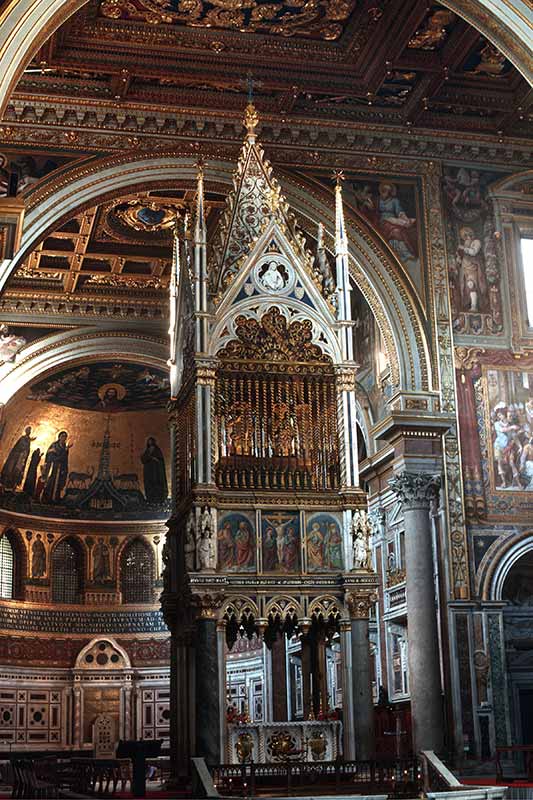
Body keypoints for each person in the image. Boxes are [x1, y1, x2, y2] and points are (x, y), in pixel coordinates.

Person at [0, 426, 35, 490]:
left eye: (29, 431)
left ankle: (13, 485)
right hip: (16, 458)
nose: (29, 432)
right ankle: (5, 485)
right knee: (11, 469)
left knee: (17, 472)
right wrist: (22, 450)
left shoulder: (28, 440)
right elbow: (18, 447)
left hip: (21, 459)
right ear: (26, 431)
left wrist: (25, 453)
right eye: (28, 430)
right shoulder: (22, 438)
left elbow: (27, 449)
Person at [42, 431, 71, 504]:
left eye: (65, 437)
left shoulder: (64, 447)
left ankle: (56, 499)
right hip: (53, 467)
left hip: (60, 468)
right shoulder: (54, 445)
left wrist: (64, 468)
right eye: (63, 436)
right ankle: (47, 498)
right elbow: (50, 455)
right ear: (59, 437)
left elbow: (65, 458)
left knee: (59, 483)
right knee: (51, 482)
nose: (64, 438)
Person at [141, 437, 168, 504]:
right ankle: (151, 500)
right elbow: (143, 459)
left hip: (156, 472)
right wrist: (148, 457)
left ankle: (159, 500)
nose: (150, 443)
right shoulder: (147, 450)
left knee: (157, 486)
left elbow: (160, 461)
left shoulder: (157, 450)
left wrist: (154, 459)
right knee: (150, 486)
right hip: (149, 472)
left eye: (151, 441)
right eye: (148, 441)